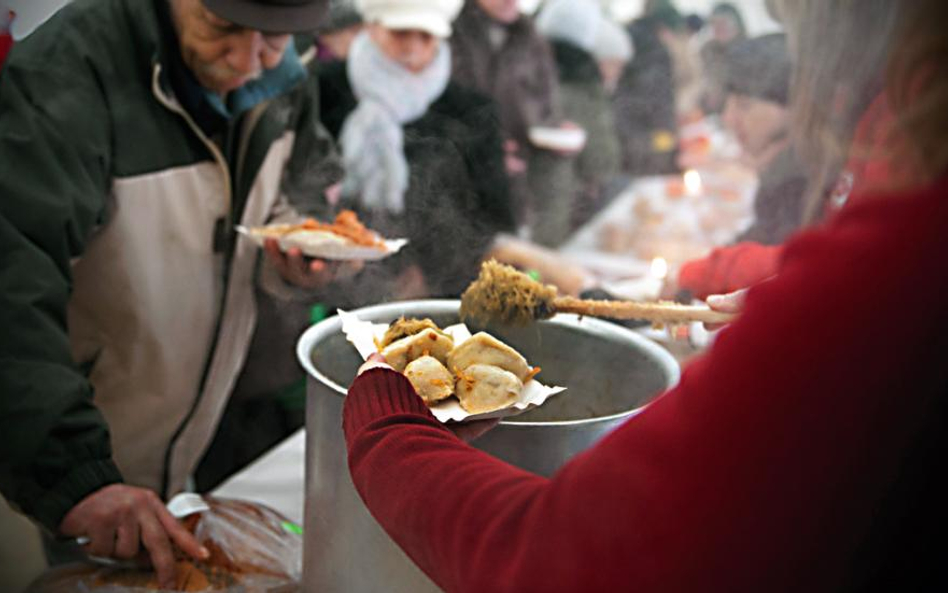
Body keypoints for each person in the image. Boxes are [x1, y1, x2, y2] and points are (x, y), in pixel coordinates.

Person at [340, 0, 948, 590]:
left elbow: (563, 559)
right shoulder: (895, 258)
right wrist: (770, 288)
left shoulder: (902, 269)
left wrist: (386, 418)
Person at [0, 0, 346, 586]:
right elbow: (11, 281)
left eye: (275, 39)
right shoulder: (69, 72)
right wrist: (70, 474)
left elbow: (297, 188)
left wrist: (302, 254)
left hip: (172, 449)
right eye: (224, 28)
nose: (249, 62)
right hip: (42, 464)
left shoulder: (283, 70)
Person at [314, 0, 514, 302]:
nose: (412, 47)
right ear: (371, 27)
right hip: (326, 286)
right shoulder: (322, 91)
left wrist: (432, 272)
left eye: (426, 36)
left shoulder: (471, 111)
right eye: (400, 32)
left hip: (434, 295)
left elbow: (492, 213)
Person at [672, 34, 807, 299]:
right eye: (729, 103)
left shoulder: (802, 182)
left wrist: (697, 277)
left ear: (795, 109)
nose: (728, 119)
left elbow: (786, 268)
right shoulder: (785, 170)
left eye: (745, 105)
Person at [449, 0, 577, 247]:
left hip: (526, 186)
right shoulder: (452, 36)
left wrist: (559, 130)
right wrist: (485, 152)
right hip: (467, 187)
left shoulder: (531, 38)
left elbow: (548, 105)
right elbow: (443, 115)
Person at [535, 0, 632, 232]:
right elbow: (600, 162)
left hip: (539, 211)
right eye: (614, 65)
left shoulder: (532, 71)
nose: (617, 73)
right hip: (563, 212)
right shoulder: (583, 88)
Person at [613, 2, 684, 175]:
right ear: (663, 28)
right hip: (648, 134)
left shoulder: (625, 37)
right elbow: (658, 99)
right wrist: (669, 135)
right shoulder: (656, 52)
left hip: (620, 129)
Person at [699, 2, 747, 115]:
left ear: (737, 25)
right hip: (714, 115)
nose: (718, 28)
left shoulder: (751, 51)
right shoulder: (707, 51)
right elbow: (703, 83)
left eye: (723, 23)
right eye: (714, 24)